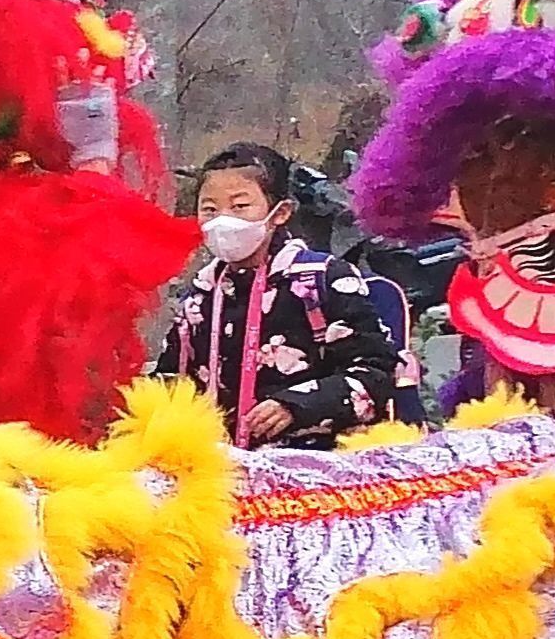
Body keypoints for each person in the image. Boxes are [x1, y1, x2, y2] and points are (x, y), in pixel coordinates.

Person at [151, 141, 400, 448]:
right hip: (221, 471)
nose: (222, 220)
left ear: (280, 213)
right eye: (209, 209)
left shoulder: (323, 279)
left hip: (317, 469)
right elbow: (170, 384)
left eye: (240, 206)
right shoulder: (198, 298)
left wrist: (296, 405)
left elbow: (376, 375)